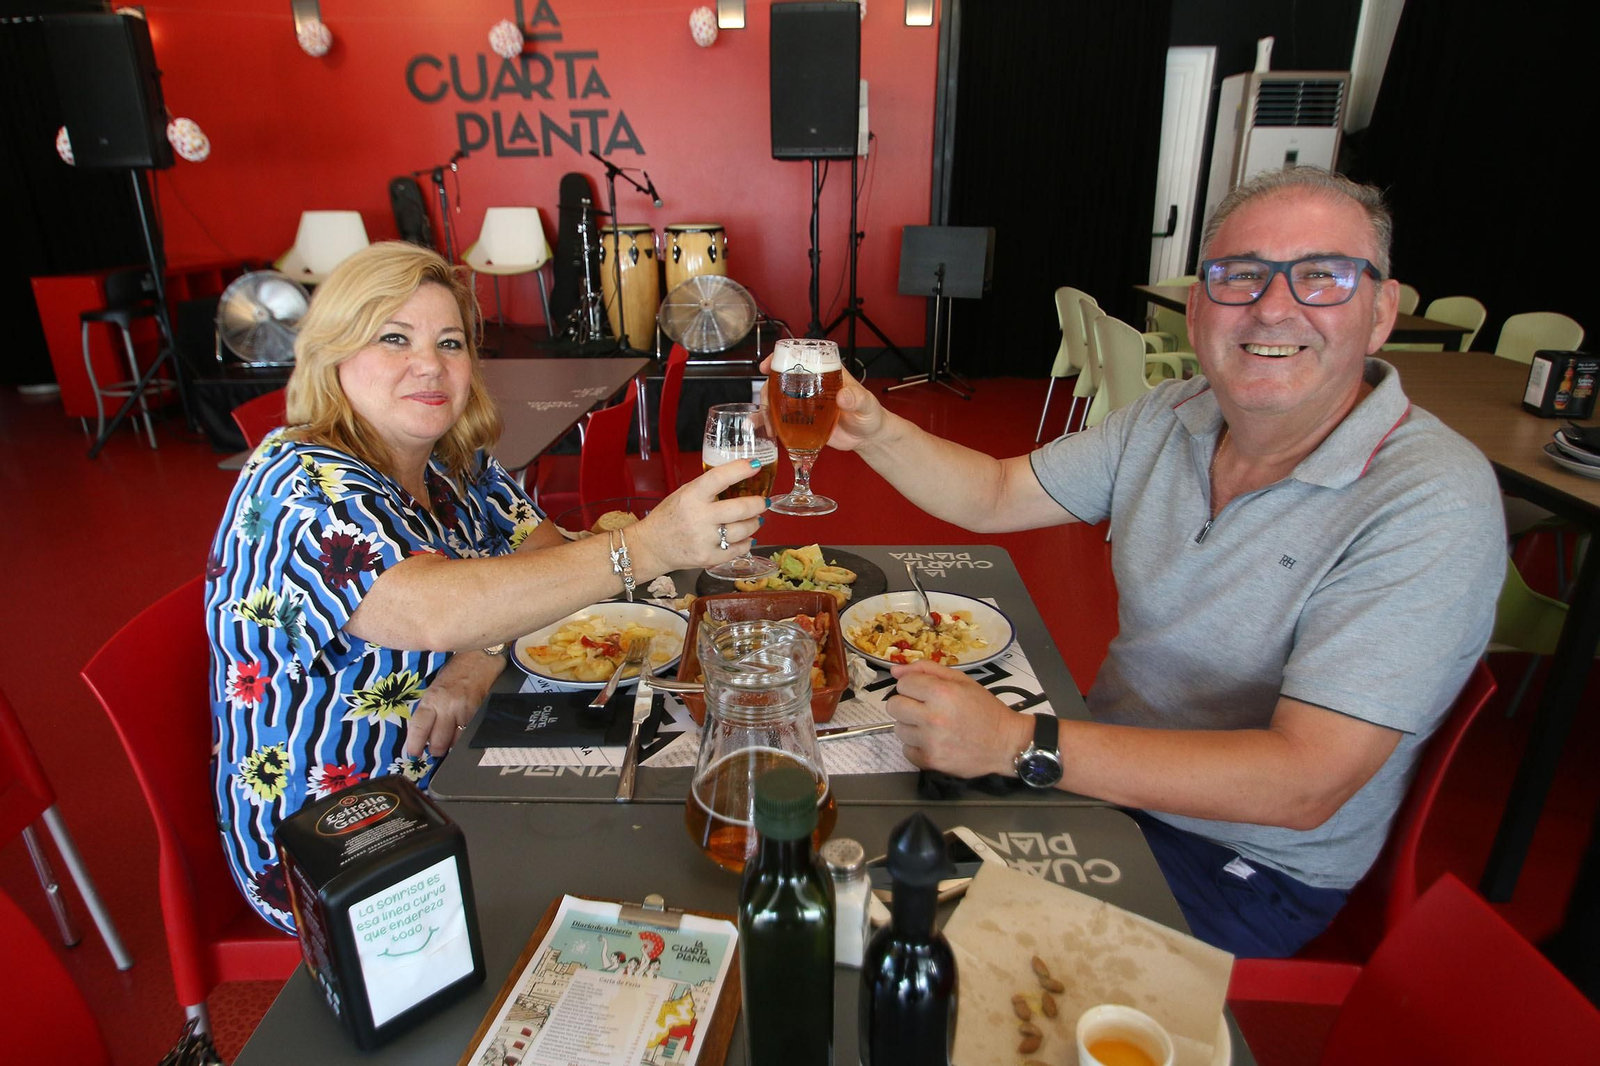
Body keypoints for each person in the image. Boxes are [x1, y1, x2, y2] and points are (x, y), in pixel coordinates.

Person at [797, 168, 1506, 957]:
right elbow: (997, 493)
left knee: (901, 954)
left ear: (1381, 312)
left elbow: (1304, 783)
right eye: (1241, 275)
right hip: (1093, 781)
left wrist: (1017, 742)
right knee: (833, 863)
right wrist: (876, 430)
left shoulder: (1431, 499)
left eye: (1321, 276)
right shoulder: (1175, 413)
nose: (1274, 307)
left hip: (1236, 863)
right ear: (1197, 309)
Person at [206, 242, 768, 932]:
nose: (429, 365)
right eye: (394, 338)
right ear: (332, 353)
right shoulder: (295, 483)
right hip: (347, 844)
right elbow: (429, 610)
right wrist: (648, 546)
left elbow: (547, 558)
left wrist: (484, 652)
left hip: (467, 764)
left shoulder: (452, 462)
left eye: (449, 342)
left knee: (685, 800)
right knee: (646, 865)